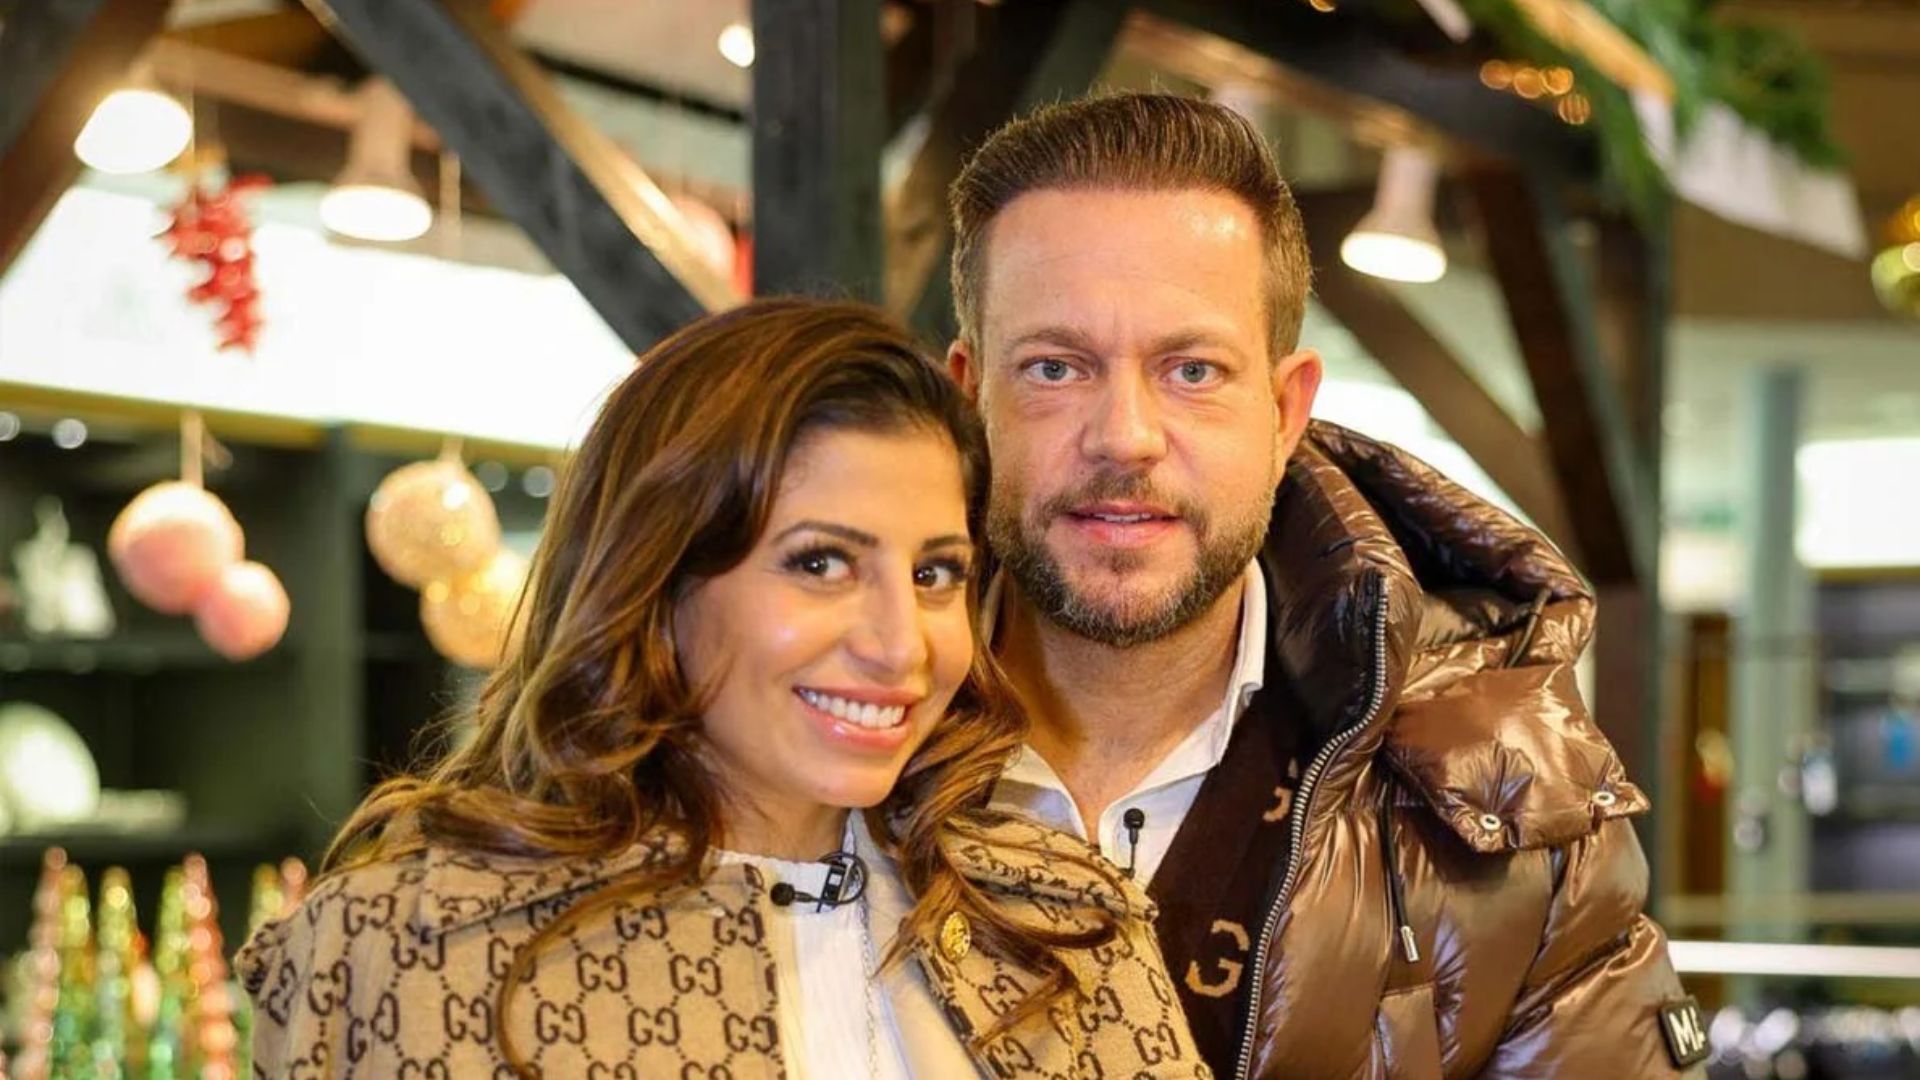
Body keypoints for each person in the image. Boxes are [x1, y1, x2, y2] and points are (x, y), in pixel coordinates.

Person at [236, 300, 1211, 1079]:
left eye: (934, 573)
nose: (900, 645)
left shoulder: (1060, 918)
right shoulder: (411, 942)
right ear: (658, 580)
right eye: (821, 563)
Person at [945, 92, 1705, 1078]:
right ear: (969, 396)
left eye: (1191, 371)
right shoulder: (813, 752)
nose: (1124, 437)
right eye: (1055, 368)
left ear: (1285, 409)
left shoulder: (1517, 814)